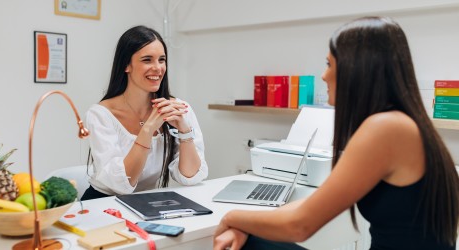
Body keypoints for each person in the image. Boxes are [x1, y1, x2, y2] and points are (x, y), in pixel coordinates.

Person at [214, 16, 459, 250]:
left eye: (330, 64)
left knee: (248, 245)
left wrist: (232, 218)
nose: (324, 75)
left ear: (360, 68)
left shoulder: (386, 128)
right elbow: (311, 205)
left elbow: (300, 225)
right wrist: (245, 224)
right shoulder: (404, 123)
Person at [81, 25, 208, 200]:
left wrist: (184, 131)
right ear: (126, 65)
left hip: (148, 201)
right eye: (147, 60)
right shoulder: (100, 115)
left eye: (161, 60)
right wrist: (148, 130)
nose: (158, 68)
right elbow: (122, 184)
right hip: (103, 202)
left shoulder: (178, 109)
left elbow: (191, 177)